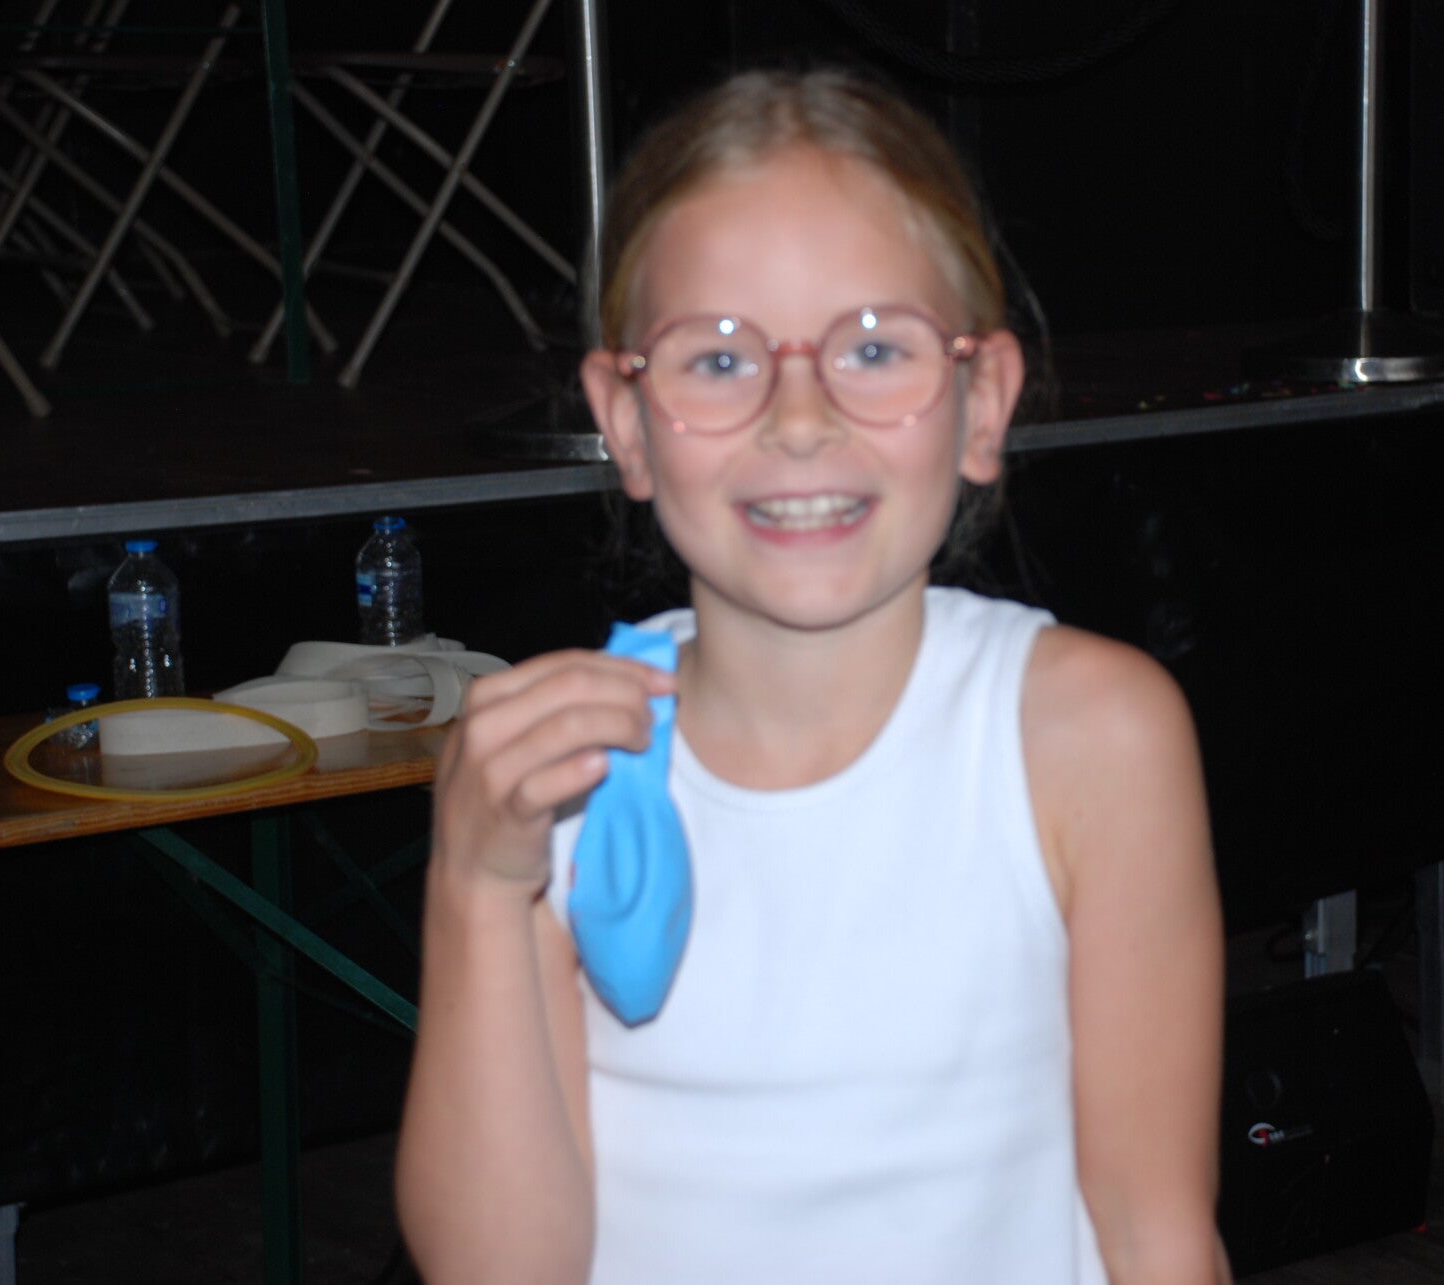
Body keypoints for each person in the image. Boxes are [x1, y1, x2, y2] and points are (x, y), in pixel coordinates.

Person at [395, 67, 1227, 1285]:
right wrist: (476, 882)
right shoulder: (559, 774)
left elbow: (1158, 1236)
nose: (797, 419)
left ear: (982, 401)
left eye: (874, 347)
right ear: (624, 421)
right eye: (718, 360)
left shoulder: (1088, 737)